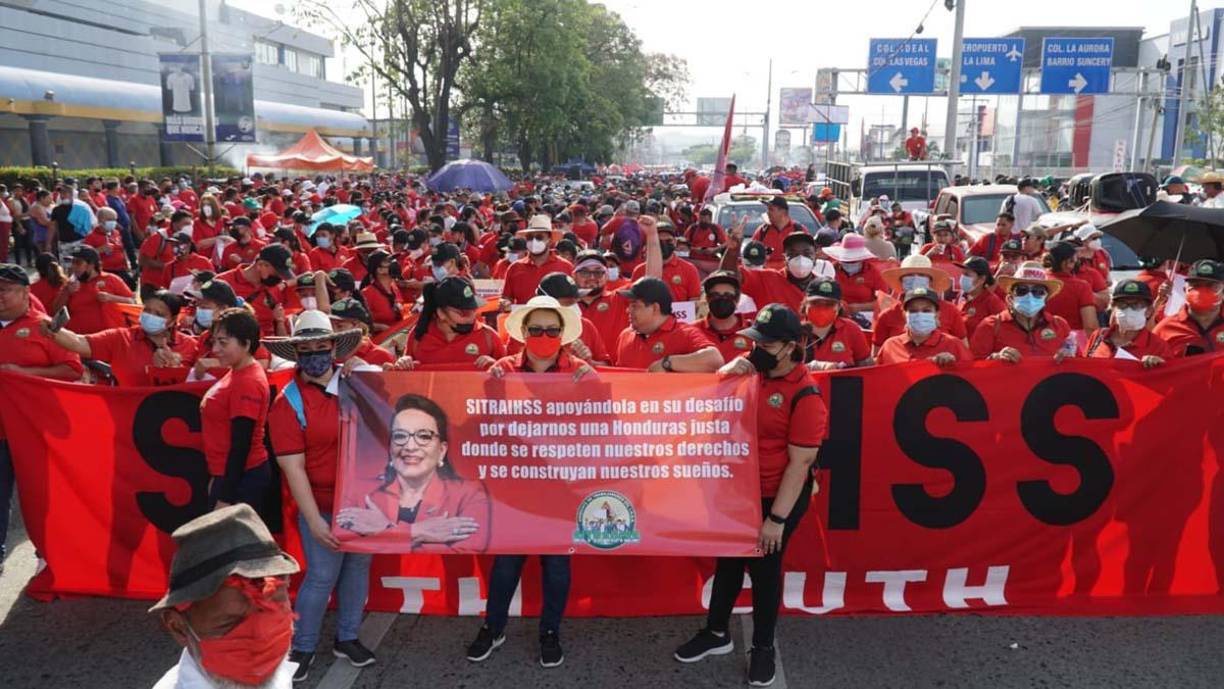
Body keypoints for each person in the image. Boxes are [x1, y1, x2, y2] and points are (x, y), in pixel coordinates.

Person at [674, 304, 826, 688]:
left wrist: (775, 520)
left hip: (778, 495)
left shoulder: (805, 395)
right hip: (739, 491)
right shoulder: (752, 367)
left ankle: (762, 648)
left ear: (793, 346)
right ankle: (717, 632)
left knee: (764, 571)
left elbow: (800, 464)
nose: (756, 348)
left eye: (767, 342)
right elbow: (713, 399)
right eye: (755, 340)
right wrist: (728, 372)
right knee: (727, 561)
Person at [467, 296, 592, 668]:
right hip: (515, 490)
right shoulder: (503, 371)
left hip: (561, 491)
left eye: (551, 330)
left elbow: (602, 426)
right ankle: (494, 626)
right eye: (535, 329)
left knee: (556, 568)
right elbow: (483, 424)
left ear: (562, 334)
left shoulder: (582, 372)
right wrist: (491, 383)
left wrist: (593, 386)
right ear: (522, 333)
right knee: (506, 565)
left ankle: (550, 631)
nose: (543, 336)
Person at [264, 311, 375, 682]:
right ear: (296, 353)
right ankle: (304, 646)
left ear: (333, 348)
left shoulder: (357, 382)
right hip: (323, 506)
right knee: (322, 576)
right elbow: (293, 469)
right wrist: (313, 519)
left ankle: (348, 637)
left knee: (357, 569)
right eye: (306, 348)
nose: (314, 354)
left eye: (321, 346)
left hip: (362, 504)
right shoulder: (287, 403)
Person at [149, 504, 301, 689]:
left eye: (272, 611)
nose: (262, 635)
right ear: (178, 627)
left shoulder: (278, 675)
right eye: (230, 623)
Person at [0, 263, 83, 569]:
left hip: (36, 429)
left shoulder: (44, 327)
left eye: (5, 289)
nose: (0, 296)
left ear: (25, 292)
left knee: (42, 496)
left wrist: (23, 373)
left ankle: (48, 552)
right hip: (1, 432)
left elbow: (73, 370)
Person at [336, 394, 490, 551]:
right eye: (400, 436)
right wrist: (417, 532)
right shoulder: (359, 492)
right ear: (390, 447)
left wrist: (385, 531)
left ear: (441, 450)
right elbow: (345, 542)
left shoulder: (469, 494)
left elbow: (466, 551)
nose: (410, 447)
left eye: (423, 436)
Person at [43, 289, 198, 386]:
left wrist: (174, 370)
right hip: (127, 416)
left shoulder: (191, 346)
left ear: (172, 320)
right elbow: (79, 343)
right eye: (148, 310)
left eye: (159, 314)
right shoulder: (120, 338)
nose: (151, 316)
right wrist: (52, 328)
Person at [201, 308, 272, 514]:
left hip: (243, 478)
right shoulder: (237, 371)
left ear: (247, 344)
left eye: (223, 343)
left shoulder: (248, 382)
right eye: (214, 342)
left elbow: (241, 444)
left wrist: (225, 495)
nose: (215, 349)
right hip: (229, 475)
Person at [970, 262, 1074, 363]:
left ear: (1046, 298)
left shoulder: (1060, 325)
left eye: (1038, 291)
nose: (1029, 296)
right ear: (1010, 297)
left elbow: (1079, 364)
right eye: (1021, 290)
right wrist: (994, 358)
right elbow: (972, 368)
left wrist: (1069, 358)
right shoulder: (991, 326)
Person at [719, 221, 834, 313]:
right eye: (793, 254)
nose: (800, 259)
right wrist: (733, 250)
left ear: (815, 257)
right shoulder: (767, 280)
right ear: (784, 258)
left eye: (807, 253)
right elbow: (728, 276)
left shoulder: (825, 288)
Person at [613, 276, 723, 371]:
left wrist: (668, 363)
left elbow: (715, 360)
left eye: (635, 305)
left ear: (655, 308)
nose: (628, 310)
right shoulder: (625, 335)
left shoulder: (684, 333)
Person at [394, 276, 504, 369]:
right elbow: (406, 378)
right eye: (463, 313)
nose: (471, 318)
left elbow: (508, 373)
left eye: (473, 310)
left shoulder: (488, 336)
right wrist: (403, 362)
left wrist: (495, 365)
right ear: (441, 313)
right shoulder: (418, 336)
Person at [872, 255, 966, 352]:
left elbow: (963, 351)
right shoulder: (887, 315)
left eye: (921, 275)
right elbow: (877, 358)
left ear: (930, 281)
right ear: (901, 282)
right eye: (909, 275)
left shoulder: (950, 311)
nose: (915, 279)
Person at [51, 245, 136, 335]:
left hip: (112, 339)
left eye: (78, 263)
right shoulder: (70, 285)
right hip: (81, 341)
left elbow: (133, 303)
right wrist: (67, 292)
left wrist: (111, 298)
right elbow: (56, 311)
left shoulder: (111, 279)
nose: (73, 266)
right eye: (72, 262)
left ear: (91, 265)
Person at [877, 288, 973, 367]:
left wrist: (953, 364)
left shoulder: (954, 345)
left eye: (926, 310)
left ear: (937, 315)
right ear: (904, 315)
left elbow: (972, 377)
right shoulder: (890, 346)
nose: (919, 315)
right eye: (913, 311)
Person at [1084, 280, 1172, 367]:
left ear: (1149, 311)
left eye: (1136, 305)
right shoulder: (1098, 337)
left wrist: (1158, 366)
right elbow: (1084, 367)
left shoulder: (1159, 347)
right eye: (1122, 305)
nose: (1129, 310)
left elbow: (1168, 377)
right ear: (1113, 308)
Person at [216, 244, 296, 337]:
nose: (280, 277)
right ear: (260, 265)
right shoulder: (224, 282)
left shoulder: (276, 286)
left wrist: (284, 284)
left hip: (268, 345)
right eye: (276, 273)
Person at [1153, 259, 1224, 356]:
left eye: (1211, 286)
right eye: (1196, 285)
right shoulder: (1165, 329)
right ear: (1184, 289)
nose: (1202, 291)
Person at [501, 214, 574, 305]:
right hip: (524, 318)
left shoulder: (566, 267)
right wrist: (505, 303)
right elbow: (507, 297)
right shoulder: (515, 268)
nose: (534, 241)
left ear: (550, 240)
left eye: (539, 237)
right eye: (530, 238)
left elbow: (574, 299)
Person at [692, 271, 754, 363]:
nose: (721, 299)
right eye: (715, 295)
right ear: (707, 299)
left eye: (728, 295)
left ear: (737, 300)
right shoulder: (692, 331)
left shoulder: (753, 332)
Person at [630, 222, 701, 301]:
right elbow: (634, 299)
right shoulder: (640, 270)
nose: (664, 244)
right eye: (659, 241)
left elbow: (695, 300)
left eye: (668, 241)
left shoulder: (689, 269)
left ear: (675, 242)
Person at [823, 234, 887, 314]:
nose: (849, 263)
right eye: (846, 260)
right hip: (835, 314)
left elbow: (884, 301)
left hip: (866, 316)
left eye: (854, 261)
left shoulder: (873, 273)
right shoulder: (831, 269)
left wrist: (860, 307)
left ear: (861, 259)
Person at [1043, 241, 1098, 333]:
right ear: (1069, 262)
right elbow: (1090, 326)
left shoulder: (1039, 281)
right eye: (1075, 258)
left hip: (1042, 338)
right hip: (1073, 341)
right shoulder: (1081, 286)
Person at [329, 297, 397, 367]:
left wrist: (366, 368)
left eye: (340, 326)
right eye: (330, 326)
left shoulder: (383, 356)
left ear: (359, 326)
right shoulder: (326, 355)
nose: (334, 331)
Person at [956, 256, 1007, 335]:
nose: (963, 277)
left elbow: (1005, 329)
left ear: (982, 279)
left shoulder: (992, 302)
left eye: (967, 274)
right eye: (962, 273)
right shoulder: (961, 297)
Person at [359, 250, 404, 332]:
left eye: (393, 260)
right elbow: (359, 323)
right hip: (380, 340)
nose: (394, 263)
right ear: (379, 270)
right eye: (388, 261)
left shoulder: (394, 287)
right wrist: (380, 327)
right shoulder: (367, 293)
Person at [750, 197, 801, 269]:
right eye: (768, 209)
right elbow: (751, 255)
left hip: (790, 277)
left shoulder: (798, 230)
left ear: (783, 212)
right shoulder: (762, 231)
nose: (767, 212)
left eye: (771, 209)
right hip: (767, 277)